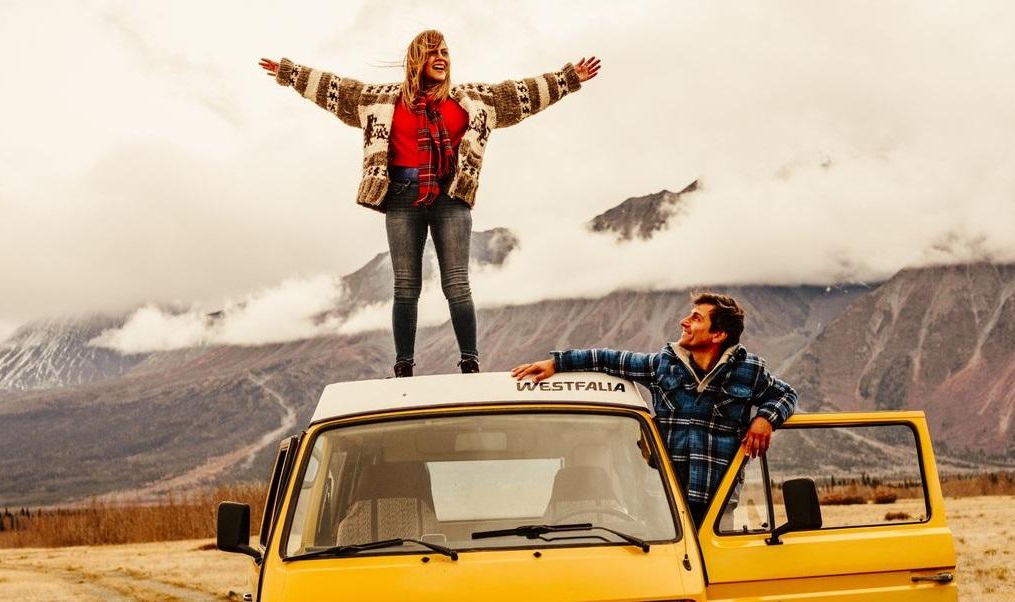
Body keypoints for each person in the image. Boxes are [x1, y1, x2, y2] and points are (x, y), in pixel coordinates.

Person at [260, 31, 601, 377]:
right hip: (402, 197)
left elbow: (521, 93)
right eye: (432, 52)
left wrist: (569, 79)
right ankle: (403, 366)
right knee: (405, 286)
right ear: (416, 60)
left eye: (445, 52)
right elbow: (335, 90)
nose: (441, 58)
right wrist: (291, 74)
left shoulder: (473, 100)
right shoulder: (380, 100)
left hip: (450, 196)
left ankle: (470, 362)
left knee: (457, 283)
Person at [511, 292, 798, 526]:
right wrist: (556, 364)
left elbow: (786, 395)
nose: (683, 321)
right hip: (665, 503)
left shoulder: (749, 371)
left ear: (718, 334)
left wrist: (765, 419)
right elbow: (608, 359)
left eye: (696, 318)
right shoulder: (662, 365)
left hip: (719, 502)